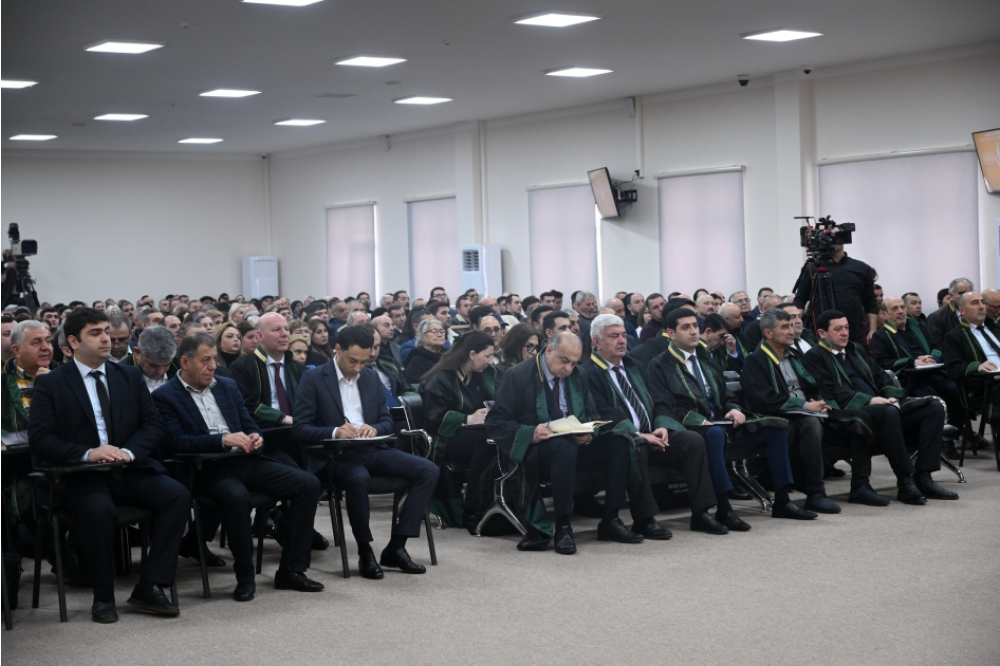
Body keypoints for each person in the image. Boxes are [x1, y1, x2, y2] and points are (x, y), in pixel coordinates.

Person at [28, 308, 190, 623]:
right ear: (73, 342)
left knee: (177, 495)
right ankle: (103, 596)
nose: (106, 339)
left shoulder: (127, 376)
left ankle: (150, 584)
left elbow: (153, 425)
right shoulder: (52, 383)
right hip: (81, 476)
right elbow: (41, 441)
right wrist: (88, 453)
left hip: (127, 469)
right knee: (98, 510)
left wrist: (128, 452)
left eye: (106, 331)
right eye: (96, 333)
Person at [153, 333, 324, 601]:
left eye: (214, 359)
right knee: (236, 496)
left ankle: (292, 570)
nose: (213, 366)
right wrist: (221, 440)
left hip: (245, 460)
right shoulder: (165, 396)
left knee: (308, 484)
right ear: (185, 362)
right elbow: (177, 442)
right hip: (205, 468)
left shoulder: (227, 386)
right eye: (205, 360)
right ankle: (245, 577)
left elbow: (250, 424)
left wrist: (256, 438)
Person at [648, 309, 828, 522]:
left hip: (722, 424)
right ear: (671, 333)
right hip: (694, 429)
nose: (694, 331)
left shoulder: (706, 359)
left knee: (777, 427)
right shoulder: (659, 365)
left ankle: (782, 500)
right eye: (686, 327)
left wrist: (733, 408)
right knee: (715, 433)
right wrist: (700, 420)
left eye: (695, 325)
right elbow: (665, 405)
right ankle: (724, 508)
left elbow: (726, 395)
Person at [293, 325, 439, 579]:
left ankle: (397, 546)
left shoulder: (370, 377)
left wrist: (375, 428)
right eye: (353, 361)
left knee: (428, 470)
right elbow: (300, 428)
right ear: (338, 349)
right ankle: (365, 551)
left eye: (363, 361)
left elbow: (387, 421)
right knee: (358, 479)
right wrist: (335, 431)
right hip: (336, 454)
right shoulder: (314, 378)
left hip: (372, 448)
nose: (358, 367)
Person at [485, 332, 639, 554]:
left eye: (574, 362)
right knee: (564, 446)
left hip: (575, 443)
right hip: (538, 451)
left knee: (620, 442)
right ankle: (564, 527)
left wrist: (589, 434)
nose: (568, 368)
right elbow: (496, 422)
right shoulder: (517, 375)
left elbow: (592, 415)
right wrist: (530, 432)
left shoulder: (578, 375)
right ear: (549, 350)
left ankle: (611, 520)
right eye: (564, 360)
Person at [740, 308, 892, 506]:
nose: (791, 331)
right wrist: (806, 406)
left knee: (859, 418)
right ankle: (815, 492)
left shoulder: (795, 355)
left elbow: (817, 383)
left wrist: (821, 403)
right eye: (785, 327)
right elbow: (765, 399)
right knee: (810, 423)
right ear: (768, 333)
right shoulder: (755, 361)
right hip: (784, 418)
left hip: (810, 411)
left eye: (791, 326)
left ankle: (860, 486)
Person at [803, 310, 957, 503]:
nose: (844, 333)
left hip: (882, 407)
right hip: (851, 412)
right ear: (822, 333)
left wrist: (892, 397)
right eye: (838, 329)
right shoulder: (814, 356)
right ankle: (905, 480)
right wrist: (870, 400)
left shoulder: (855, 350)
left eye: (847, 328)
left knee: (933, 407)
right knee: (888, 411)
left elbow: (881, 376)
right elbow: (830, 391)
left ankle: (924, 477)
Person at [581, 314, 707, 537]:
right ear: (596, 342)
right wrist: (638, 434)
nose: (622, 340)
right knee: (635, 445)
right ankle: (644, 519)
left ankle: (701, 513)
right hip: (620, 440)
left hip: (654, 435)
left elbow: (660, 399)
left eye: (623, 335)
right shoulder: (587, 373)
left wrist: (662, 426)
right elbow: (602, 414)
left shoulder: (635, 366)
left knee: (692, 441)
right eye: (614, 336)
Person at [419, 330, 499, 530]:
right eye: (487, 356)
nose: (490, 361)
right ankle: (473, 506)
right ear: (472, 354)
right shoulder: (441, 378)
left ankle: (492, 501)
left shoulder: (483, 377)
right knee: (486, 443)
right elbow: (434, 419)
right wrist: (467, 418)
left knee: (497, 439)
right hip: (445, 438)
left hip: (476, 432)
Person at [872, 296, 966, 452]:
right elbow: (883, 363)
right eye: (895, 308)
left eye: (902, 307)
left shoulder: (919, 328)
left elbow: (938, 346)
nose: (900, 311)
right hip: (909, 380)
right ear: (885, 314)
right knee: (933, 401)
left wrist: (932, 358)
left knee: (959, 394)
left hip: (933, 373)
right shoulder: (880, 336)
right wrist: (912, 362)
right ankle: (933, 442)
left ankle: (948, 438)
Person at [792, 243, 879, 345]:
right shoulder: (812, 268)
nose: (833, 241)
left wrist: (872, 330)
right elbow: (800, 298)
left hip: (854, 332)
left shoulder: (861, 268)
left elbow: (870, 302)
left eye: (837, 237)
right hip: (820, 333)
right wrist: (796, 321)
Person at [230, 313, 304, 430]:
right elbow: (246, 404)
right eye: (276, 330)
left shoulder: (298, 368)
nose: (284, 334)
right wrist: (283, 418)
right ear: (260, 336)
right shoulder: (242, 367)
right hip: (262, 431)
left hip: (299, 429)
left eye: (286, 329)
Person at [943, 291, 1000, 430]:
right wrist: (977, 367)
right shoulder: (954, 336)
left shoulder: (995, 328)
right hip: (983, 387)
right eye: (975, 303)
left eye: (982, 302)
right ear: (962, 310)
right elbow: (953, 369)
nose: (981, 306)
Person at [3, 319, 53, 432]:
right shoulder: (3, 384)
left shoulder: (65, 378)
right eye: (36, 342)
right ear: (17, 350)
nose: (45, 347)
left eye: (48, 341)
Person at [926, 278, 973, 352]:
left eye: (970, 293)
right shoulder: (936, 318)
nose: (966, 297)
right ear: (951, 296)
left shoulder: (981, 314)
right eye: (961, 293)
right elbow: (938, 346)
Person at [130, 326, 178, 392]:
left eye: (166, 365)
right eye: (154, 365)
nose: (160, 371)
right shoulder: (120, 375)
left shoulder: (180, 367)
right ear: (138, 352)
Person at [403, 318, 447, 386]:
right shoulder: (417, 359)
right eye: (434, 331)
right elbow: (415, 386)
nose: (439, 335)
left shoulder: (449, 356)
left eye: (442, 331)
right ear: (423, 337)